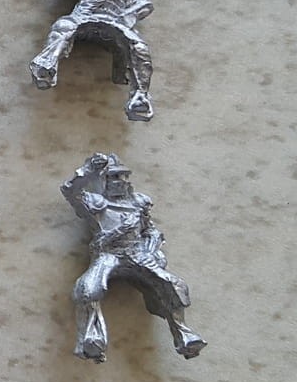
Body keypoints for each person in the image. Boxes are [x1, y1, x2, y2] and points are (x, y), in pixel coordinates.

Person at [63, 153, 204, 362]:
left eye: (123, 176)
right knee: (88, 289)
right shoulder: (96, 203)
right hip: (108, 253)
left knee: (173, 285)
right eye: (114, 177)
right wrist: (88, 170)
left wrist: (151, 249)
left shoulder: (138, 203)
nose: (120, 181)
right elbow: (70, 191)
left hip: (137, 253)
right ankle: (91, 339)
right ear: (104, 180)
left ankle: (183, 334)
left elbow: (151, 230)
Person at [30, 0, 155, 121]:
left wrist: (128, 16)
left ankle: (140, 96)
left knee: (140, 48)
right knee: (63, 26)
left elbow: (145, 5)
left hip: (116, 20)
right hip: (84, 15)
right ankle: (46, 65)